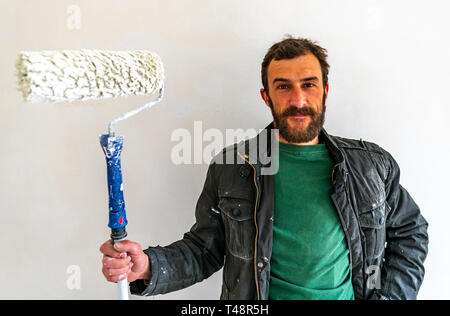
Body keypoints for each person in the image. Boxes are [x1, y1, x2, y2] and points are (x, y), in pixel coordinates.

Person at [100, 37, 429, 300]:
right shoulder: (231, 167)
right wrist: (147, 267)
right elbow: (204, 250)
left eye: (309, 85)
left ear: (325, 91)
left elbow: (411, 234)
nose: (298, 100)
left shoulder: (371, 165)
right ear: (266, 96)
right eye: (283, 86)